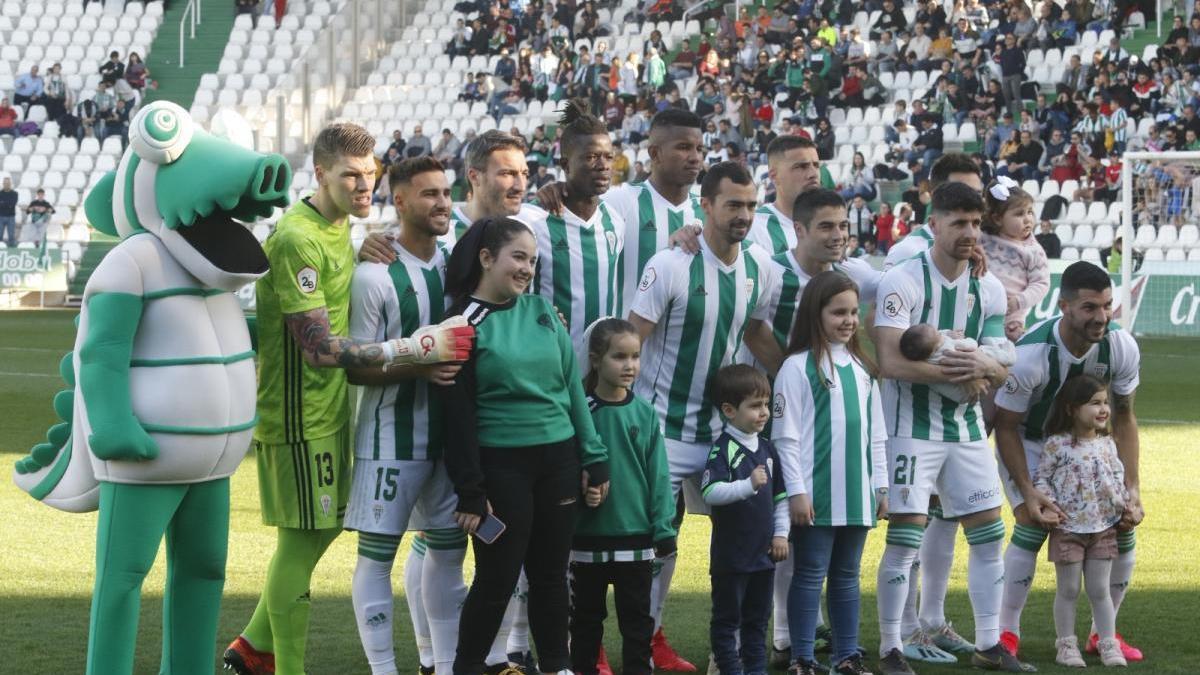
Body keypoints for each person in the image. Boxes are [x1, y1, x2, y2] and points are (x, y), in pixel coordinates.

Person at [223, 124, 474, 675]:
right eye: (350, 176)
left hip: (334, 411)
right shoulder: (296, 238)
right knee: (300, 542)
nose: (364, 187)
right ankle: (283, 665)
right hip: (298, 415)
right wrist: (413, 351)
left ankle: (251, 645)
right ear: (320, 174)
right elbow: (316, 349)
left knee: (327, 528)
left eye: (371, 175)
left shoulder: (338, 227)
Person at [628, 162, 783, 671]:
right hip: (662, 428)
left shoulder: (760, 268)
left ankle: (729, 649)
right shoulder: (671, 264)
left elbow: (758, 332)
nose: (742, 214)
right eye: (732, 204)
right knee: (654, 540)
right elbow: (635, 338)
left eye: (750, 205)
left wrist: (800, 377)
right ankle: (645, 641)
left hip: (725, 432)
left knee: (744, 540)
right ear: (706, 205)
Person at [441, 216, 610, 675]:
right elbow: (457, 418)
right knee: (496, 578)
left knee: (552, 576)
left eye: (532, 260)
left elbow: (572, 389)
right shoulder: (460, 325)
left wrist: (593, 457)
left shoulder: (541, 310)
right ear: (486, 258)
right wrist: (471, 490)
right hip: (502, 467)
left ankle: (557, 667)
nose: (526, 269)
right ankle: (467, 667)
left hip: (558, 461)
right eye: (518, 257)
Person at [872, 182, 1025, 675]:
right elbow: (890, 363)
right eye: (958, 222)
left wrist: (983, 367)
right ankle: (891, 647)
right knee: (905, 540)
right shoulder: (902, 279)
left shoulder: (990, 287)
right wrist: (964, 372)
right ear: (932, 224)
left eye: (976, 222)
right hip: (909, 429)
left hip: (964, 430)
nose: (969, 232)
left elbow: (1004, 368)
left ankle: (987, 644)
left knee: (987, 534)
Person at [343, 157, 467, 675]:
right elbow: (354, 366)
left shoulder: (456, 261)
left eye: (445, 193)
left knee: (448, 552)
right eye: (429, 194)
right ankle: (383, 668)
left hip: (454, 439)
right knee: (377, 556)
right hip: (390, 438)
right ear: (399, 201)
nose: (441, 203)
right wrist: (420, 364)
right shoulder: (374, 275)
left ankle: (444, 663)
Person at [993, 262, 1143, 664]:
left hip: (1090, 449)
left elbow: (1125, 417)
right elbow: (1005, 426)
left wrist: (1132, 487)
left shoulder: (1121, 346)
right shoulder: (1029, 355)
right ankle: (1007, 632)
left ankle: (1101, 634)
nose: (1102, 317)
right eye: (1090, 307)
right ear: (1064, 306)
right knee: (1032, 524)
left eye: (1108, 306)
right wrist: (1027, 490)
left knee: (1122, 526)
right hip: (1033, 444)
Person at [772, 271, 888, 675]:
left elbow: (876, 435)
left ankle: (847, 655)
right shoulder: (796, 367)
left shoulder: (862, 366)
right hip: (817, 494)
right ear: (815, 314)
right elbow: (785, 438)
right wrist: (797, 492)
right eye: (838, 312)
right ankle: (802, 658)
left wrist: (881, 484)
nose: (848, 320)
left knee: (847, 577)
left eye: (854, 312)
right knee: (808, 575)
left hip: (856, 493)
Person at [571, 318, 676, 675]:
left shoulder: (645, 413)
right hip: (586, 539)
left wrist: (663, 527)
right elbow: (566, 468)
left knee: (637, 624)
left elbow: (659, 476)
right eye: (619, 356)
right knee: (585, 623)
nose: (630, 365)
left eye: (635, 356)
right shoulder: (581, 411)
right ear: (597, 359)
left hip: (635, 539)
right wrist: (582, 488)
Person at [1032, 375, 1130, 668]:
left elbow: (1116, 477)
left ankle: (1108, 643)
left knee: (1100, 590)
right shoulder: (1057, 445)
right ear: (1072, 408)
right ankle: (1066, 645)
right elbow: (1043, 479)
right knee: (1069, 589)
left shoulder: (1107, 445)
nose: (1103, 409)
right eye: (1094, 403)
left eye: (1105, 403)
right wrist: (1050, 507)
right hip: (1068, 529)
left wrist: (1125, 505)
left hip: (1102, 528)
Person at [701, 365, 789, 675]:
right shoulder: (722, 449)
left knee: (758, 620)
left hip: (763, 556)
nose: (764, 412)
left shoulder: (767, 449)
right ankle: (730, 669)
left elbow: (781, 499)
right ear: (728, 410)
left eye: (765, 404)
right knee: (727, 621)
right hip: (731, 557)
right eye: (754, 405)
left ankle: (756, 670)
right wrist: (747, 485)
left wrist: (780, 535)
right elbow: (710, 491)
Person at [525, 101, 624, 355]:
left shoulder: (614, 220)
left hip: (600, 372)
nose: (603, 165)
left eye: (608, 156)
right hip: (548, 361)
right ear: (565, 164)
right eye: (591, 157)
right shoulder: (534, 220)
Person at [979, 177, 1049, 341]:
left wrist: (1018, 301)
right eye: (1019, 214)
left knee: (1003, 349)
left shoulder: (1033, 251)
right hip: (976, 308)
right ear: (997, 218)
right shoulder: (982, 238)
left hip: (1009, 317)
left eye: (1030, 212)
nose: (1028, 219)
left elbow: (1041, 284)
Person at [899, 323, 1015, 403]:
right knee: (981, 352)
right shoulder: (947, 348)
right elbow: (971, 345)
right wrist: (962, 340)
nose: (941, 335)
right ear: (936, 347)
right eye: (940, 335)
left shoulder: (923, 354)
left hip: (957, 395)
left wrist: (948, 333)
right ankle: (1009, 355)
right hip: (969, 388)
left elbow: (936, 335)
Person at [747, 136, 822, 255]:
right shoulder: (755, 229)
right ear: (774, 176)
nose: (813, 174)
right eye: (801, 167)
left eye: (816, 165)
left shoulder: (830, 225)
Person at [0, 177, 17, 248]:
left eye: (8, 183)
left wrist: (2, 203)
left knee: (11, 236)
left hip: (11, 217)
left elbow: (12, 204)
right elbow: (9, 204)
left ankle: (12, 251)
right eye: (5, 183)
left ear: (10, 184)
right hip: (1, 216)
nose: (6, 184)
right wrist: (7, 204)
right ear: (3, 184)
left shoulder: (14, 194)